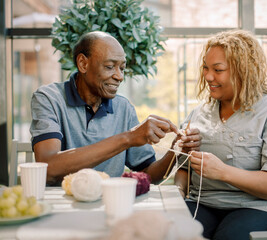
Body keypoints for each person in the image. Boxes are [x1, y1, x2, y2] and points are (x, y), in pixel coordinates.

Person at [174, 29, 267, 240]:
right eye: (205, 68)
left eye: (218, 69)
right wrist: (179, 192)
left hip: (261, 207)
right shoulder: (199, 113)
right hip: (204, 203)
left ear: (245, 71)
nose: (208, 76)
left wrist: (223, 172)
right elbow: (184, 169)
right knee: (167, 231)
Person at [30, 31, 201, 186]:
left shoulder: (123, 108)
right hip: (61, 207)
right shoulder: (49, 98)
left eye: (122, 68)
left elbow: (150, 175)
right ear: (83, 64)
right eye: (110, 66)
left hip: (110, 205)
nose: (119, 76)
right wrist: (129, 138)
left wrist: (177, 151)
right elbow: (48, 168)